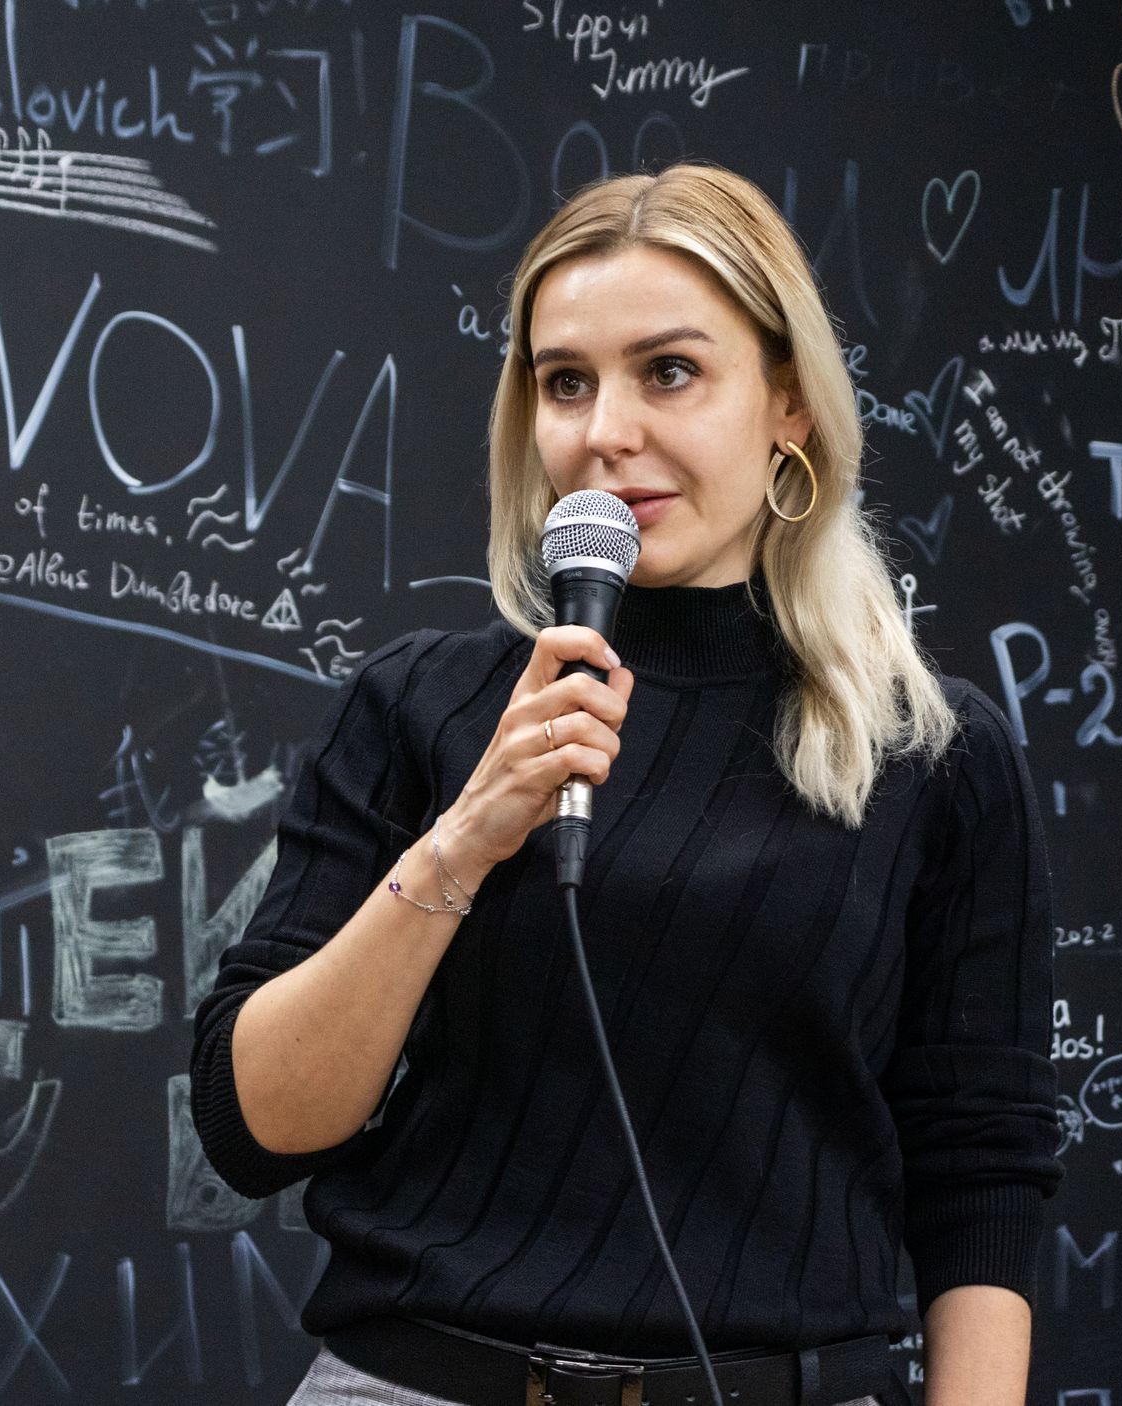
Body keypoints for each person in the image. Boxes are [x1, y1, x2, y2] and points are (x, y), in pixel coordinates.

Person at [188, 161, 1063, 1406]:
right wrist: (463, 840)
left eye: (669, 371)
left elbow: (981, 1167)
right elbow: (255, 1125)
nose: (606, 430)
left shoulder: (930, 751)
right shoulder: (421, 706)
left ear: (789, 402)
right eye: (565, 382)